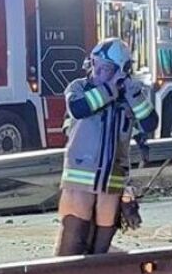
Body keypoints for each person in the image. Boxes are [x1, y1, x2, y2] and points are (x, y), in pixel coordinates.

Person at [58, 38, 156, 256]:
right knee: (72, 247)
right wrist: (111, 89)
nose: (98, 72)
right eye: (96, 65)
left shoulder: (132, 95)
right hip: (79, 183)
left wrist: (131, 93)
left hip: (112, 184)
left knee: (99, 252)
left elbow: (150, 122)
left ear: (121, 71)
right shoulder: (79, 88)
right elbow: (79, 108)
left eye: (106, 68)